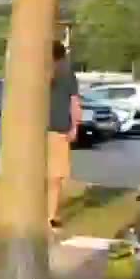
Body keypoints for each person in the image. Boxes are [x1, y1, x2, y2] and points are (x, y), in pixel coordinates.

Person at [47, 42, 80, 230]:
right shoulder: (67, 73)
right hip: (59, 130)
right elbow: (74, 103)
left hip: (37, 131)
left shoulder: (37, 71)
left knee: (40, 175)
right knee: (55, 176)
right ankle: (50, 215)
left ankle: (39, 213)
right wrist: (75, 127)